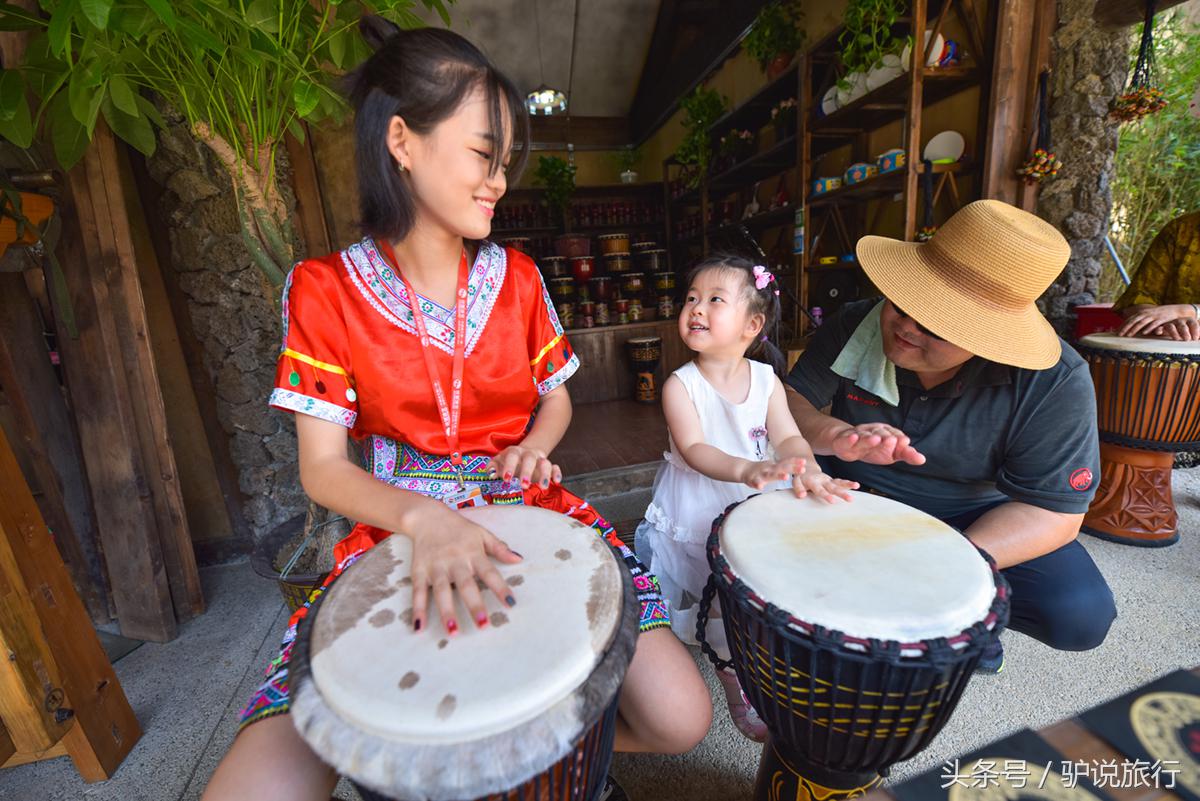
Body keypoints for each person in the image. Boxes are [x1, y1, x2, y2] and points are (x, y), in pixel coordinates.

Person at [203, 21, 711, 801]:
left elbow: (557, 397)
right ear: (401, 141)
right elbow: (323, 468)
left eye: (506, 163)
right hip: (395, 525)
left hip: (532, 506)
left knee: (682, 718)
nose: (498, 180)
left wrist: (536, 446)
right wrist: (424, 520)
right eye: (483, 154)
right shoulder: (323, 290)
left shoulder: (518, 277)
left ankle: (546, 769)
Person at [785, 199, 1117, 676]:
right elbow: (785, 405)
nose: (904, 327)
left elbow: (1054, 513)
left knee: (1079, 614)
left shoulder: (1054, 381)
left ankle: (969, 614)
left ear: (992, 337)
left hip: (972, 515)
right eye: (902, 303)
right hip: (853, 494)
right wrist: (834, 434)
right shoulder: (855, 323)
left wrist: (951, 565)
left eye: (935, 324)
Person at [635, 254, 857, 741]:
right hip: (702, 500)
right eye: (691, 298)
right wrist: (747, 468)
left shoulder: (766, 380)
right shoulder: (680, 385)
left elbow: (790, 437)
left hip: (759, 492)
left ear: (752, 325)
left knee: (767, 580)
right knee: (720, 596)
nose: (696, 308)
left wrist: (809, 469)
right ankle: (735, 675)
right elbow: (694, 449)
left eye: (714, 300)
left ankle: (775, 653)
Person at [1114, 210, 1200, 341]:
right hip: (1170, 351)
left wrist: (1190, 312)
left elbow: (1183, 313)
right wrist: (1162, 322)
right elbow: (1137, 301)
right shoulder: (1181, 230)